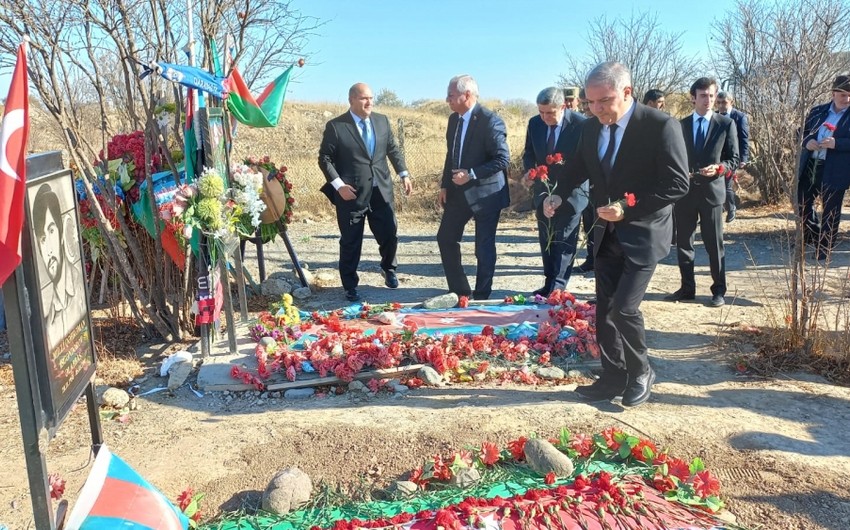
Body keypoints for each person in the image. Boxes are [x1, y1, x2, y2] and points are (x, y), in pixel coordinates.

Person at [546, 61, 689, 407]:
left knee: (625, 308)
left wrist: (627, 208)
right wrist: (558, 193)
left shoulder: (659, 126)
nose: (596, 110)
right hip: (605, 233)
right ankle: (612, 377)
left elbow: (677, 183)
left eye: (604, 101)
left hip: (643, 233)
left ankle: (641, 372)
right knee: (604, 309)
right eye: (590, 103)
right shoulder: (592, 128)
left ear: (627, 92)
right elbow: (579, 166)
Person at [318, 83, 413, 302]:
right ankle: (350, 285)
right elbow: (325, 159)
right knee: (351, 240)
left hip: (381, 189)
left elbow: (392, 149)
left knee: (389, 233)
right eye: (364, 99)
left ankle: (388, 268)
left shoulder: (382, 121)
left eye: (371, 98)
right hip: (351, 193)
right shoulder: (337, 126)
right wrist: (339, 185)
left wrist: (404, 173)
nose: (369, 102)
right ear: (351, 100)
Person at [666, 78, 739, 308]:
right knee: (684, 243)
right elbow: (672, 157)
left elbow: (734, 159)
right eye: (703, 95)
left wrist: (719, 169)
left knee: (713, 245)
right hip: (685, 193)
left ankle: (718, 290)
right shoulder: (680, 125)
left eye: (712, 96)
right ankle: (687, 288)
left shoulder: (725, 124)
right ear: (693, 97)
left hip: (712, 192)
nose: (708, 100)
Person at [437, 74, 510, 300]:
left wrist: (471, 174)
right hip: (458, 192)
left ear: (466, 95)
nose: (446, 99)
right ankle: (460, 290)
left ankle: (482, 294)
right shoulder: (453, 120)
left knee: (483, 247)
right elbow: (452, 155)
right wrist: (444, 185)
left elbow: (502, 159)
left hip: (486, 193)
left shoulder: (491, 121)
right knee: (446, 238)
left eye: (451, 95)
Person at [521, 87, 587, 296]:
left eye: (550, 112)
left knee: (564, 238)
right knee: (546, 237)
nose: (545, 117)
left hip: (571, 192)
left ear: (563, 106)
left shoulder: (581, 125)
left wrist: (561, 193)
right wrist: (530, 172)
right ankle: (549, 281)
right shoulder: (535, 123)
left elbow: (583, 164)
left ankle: (558, 287)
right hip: (543, 190)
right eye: (541, 112)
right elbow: (529, 153)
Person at [796, 75, 850, 260]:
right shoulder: (818, 111)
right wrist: (807, 141)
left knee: (831, 211)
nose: (847, 99)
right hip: (812, 164)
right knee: (801, 203)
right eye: (843, 94)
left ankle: (824, 249)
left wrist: (837, 143)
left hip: (837, 168)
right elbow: (801, 132)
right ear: (833, 93)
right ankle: (813, 234)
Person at [33, 183, 84, 347]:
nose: (48, 250)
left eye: (51, 231)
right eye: (42, 239)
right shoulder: (50, 319)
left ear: (61, 232)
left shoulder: (78, 288)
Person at [716, 91, 750, 222]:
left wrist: (743, 158)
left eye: (724, 102)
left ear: (731, 102)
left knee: (726, 185)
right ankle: (717, 210)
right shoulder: (713, 115)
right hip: (716, 156)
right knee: (714, 185)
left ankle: (731, 209)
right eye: (718, 102)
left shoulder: (739, 117)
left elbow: (744, 138)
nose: (721, 105)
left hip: (732, 157)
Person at [574, 87, 596, 273]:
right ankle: (591, 258)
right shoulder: (581, 123)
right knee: (588, 223)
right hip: (584, 184)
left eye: (588, 102)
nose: (586, 107)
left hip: (601, 185)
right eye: (583, 103)